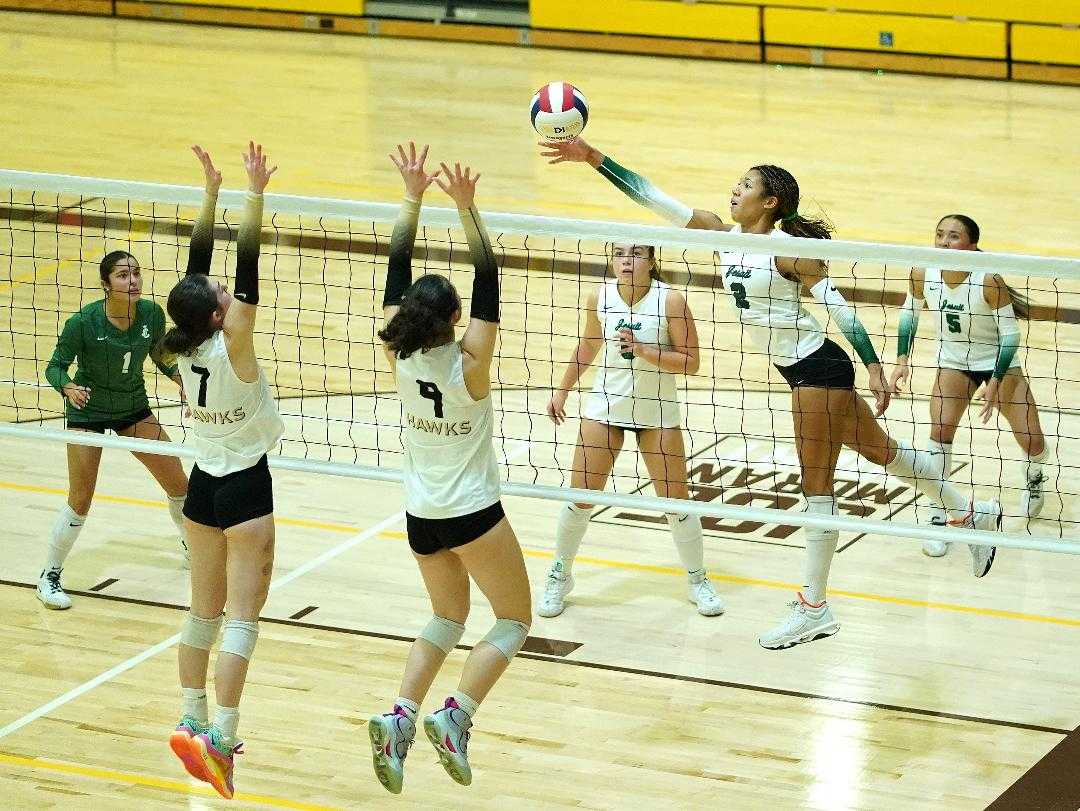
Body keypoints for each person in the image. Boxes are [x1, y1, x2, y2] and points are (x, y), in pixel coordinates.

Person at [540, 137, 1001, 650]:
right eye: (737, 183)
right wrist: (593, 158)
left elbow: (840, 307)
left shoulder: (788, 252)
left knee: (816, 486)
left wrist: (873, 365)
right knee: (882, 452)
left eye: (746, 185)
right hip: (798, 370)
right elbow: (652, 196)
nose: (735, 190)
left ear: (770, 203)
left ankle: (813, 607)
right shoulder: (720, 233)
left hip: (817, 369)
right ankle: (968, 513)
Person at [367, 143, 531, 794]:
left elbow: (394, 270)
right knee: (514, 620)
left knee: (445, 617)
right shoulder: (470, 365)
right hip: (472, 511)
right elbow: (490, 278)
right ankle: (455, 715)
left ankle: (400, 716)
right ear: (455, 319)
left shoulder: (397, 352)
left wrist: (412, 196)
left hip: (421, 514)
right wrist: (468, 210)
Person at [165, 142, 284, 800]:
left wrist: (210, 195)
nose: (223, 293)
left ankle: (191, 715)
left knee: (201, 613)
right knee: (243, 617)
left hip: (202, 487)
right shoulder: (233, 339)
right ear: (219, 315)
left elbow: (196, 273)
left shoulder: (183, 342)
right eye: (219, 298)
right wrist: (253, 193)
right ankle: (221, 739)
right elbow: (246, 272)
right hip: (244, 487)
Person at [539, 242, 724, 618]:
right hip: (605, 405)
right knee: (581, 497)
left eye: (637, 253)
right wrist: (562, 388)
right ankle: (560, 574)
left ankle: (697, 580)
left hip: (656, 410)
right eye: (620, 253)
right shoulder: (600, 296)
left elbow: (691, 362)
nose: (627, 260)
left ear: (652, 261)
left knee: (675, 501)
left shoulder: (670, 301)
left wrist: (643, 350)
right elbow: (589, 345)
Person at [41, 230, 190, 609]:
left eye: (137, 273)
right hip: (87, 411)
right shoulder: (83, 322)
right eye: (124, 275)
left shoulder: (152, 314)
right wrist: (68, 388)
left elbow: (160, 354)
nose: (134, 280)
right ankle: (50, 575)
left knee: (179, 483)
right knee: (80, 498)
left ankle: (192, 545)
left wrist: (179, 379)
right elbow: (55, 367)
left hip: (132, 407)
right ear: (106, 284)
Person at [892, 214, 1048, 557]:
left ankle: (1035, 475)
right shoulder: (922, 271)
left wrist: (994, 382)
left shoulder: (988, 279)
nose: (944, 242)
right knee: (940, 430)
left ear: (972, 245)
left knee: (1032, 439)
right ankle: (940, 514)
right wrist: (902, 360)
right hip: (953, 362)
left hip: (997, 362)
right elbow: (909, 314)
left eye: (954, 236)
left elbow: (1010, 335)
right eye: (940, 235)